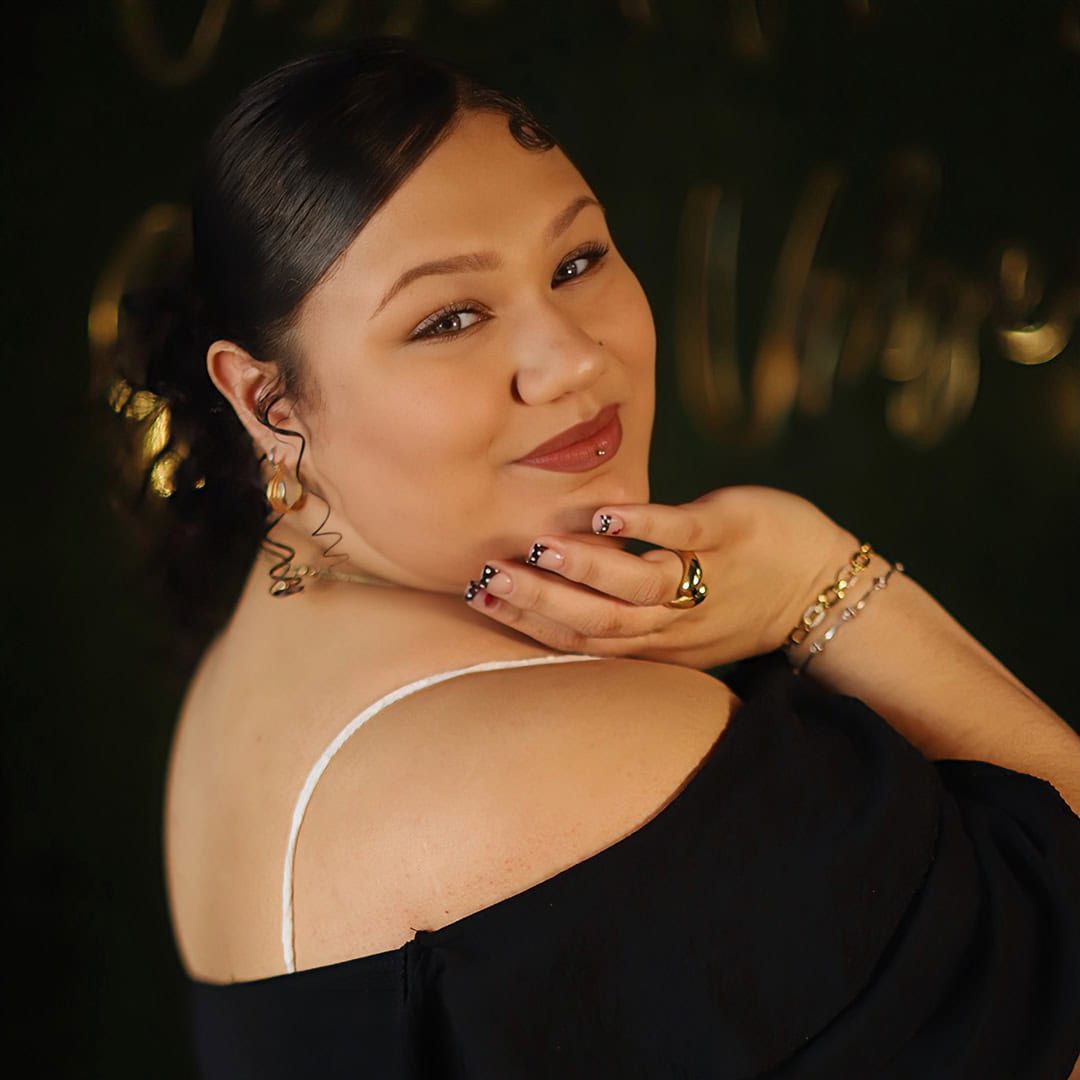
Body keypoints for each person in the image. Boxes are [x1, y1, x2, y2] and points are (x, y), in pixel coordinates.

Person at [120, 36, 1080, 1078]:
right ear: (268, 401)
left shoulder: (241, 683)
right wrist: (820, 580)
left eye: (577, 262)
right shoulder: (602, 754)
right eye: (449, 319)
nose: (575, 358)